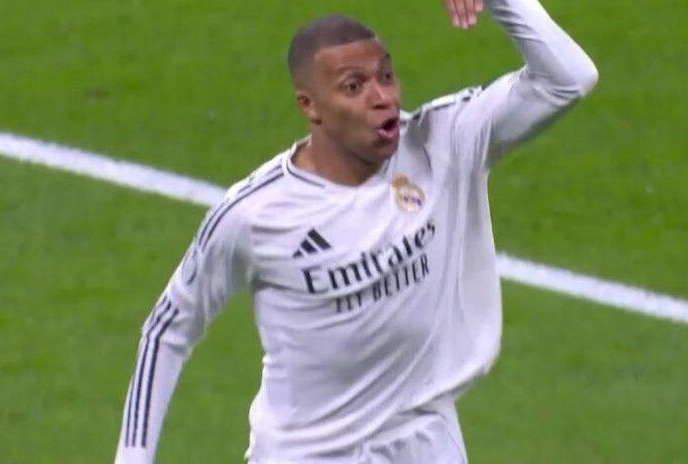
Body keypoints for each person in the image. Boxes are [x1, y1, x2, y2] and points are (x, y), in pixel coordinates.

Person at [114, 0, 597, 462]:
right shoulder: (256, 215)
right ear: (311, 106)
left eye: (386, 76)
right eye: (353, 86)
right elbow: (167, 330)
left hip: (425, 440)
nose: (382, 97)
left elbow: (569, 79)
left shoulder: (444, 142)